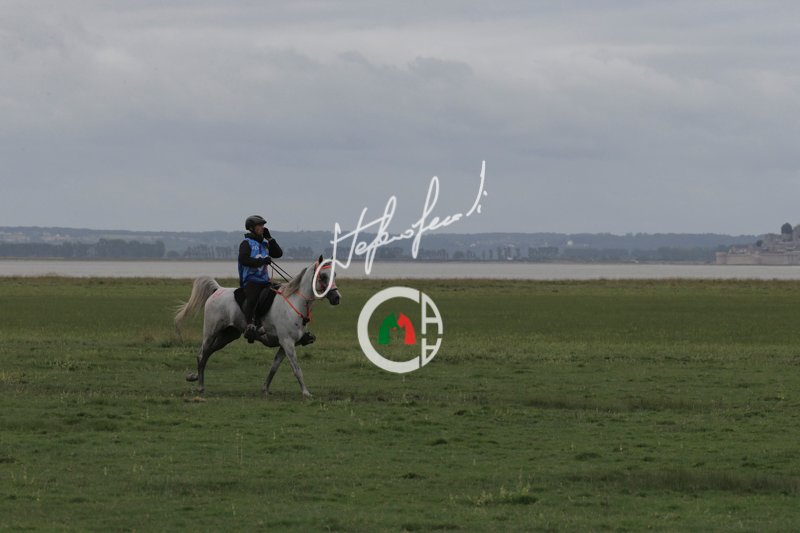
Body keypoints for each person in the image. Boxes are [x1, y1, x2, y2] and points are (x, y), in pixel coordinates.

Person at [238, 215, 282, 342]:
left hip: (265, 281)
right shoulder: (246, 243)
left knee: (280, 291)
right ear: (252, 228)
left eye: (263, 225)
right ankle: (249, 326)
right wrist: (262, 261)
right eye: (260, 225)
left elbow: (278, 253)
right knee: (252, 299)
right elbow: (244, 259)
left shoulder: (264, 243)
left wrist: (270, 238)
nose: (262, 227)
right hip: (251, 280)